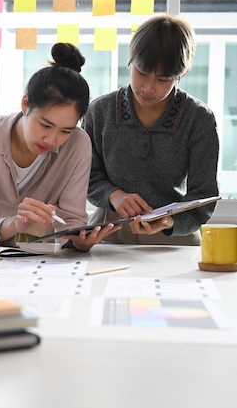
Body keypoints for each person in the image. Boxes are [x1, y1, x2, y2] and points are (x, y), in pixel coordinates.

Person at [0, 43, 119, 251]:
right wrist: (15, 223)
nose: (52, 139)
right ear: (25, 105)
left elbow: (73, 220)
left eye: (66, 130)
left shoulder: (78, 144)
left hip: (45, 257)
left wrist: (80, 241)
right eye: (45, 125)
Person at [83, 14, 219, 245]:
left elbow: (204, 195)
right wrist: (114, 196)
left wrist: (169, 223)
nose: (148, 87)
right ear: (131, 59)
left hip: (174, 239)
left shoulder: (199, 119)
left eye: (163, 79)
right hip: (108, 233)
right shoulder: (100, 111)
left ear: (181, 74)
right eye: (141, 73)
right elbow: (85, 176)